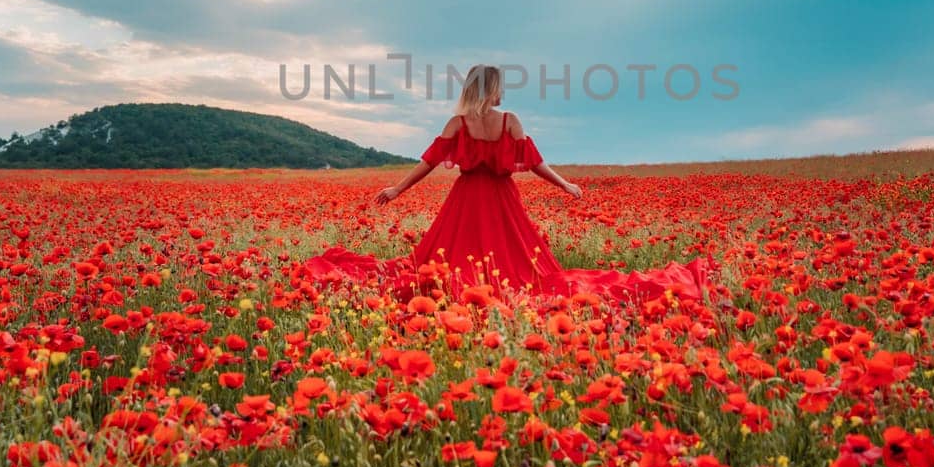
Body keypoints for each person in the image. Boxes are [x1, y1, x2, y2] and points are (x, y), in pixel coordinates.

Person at [301, 64, 715, 303]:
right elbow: (535, 164)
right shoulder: (510, 121)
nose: (502, 93)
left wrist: (397, 190)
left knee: (451, 264)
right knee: (520, 271)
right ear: (492, 90)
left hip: (465, 201)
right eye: (499, 87)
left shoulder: (457, 123)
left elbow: (427, 163)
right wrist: (565, 185)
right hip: (502, 201)